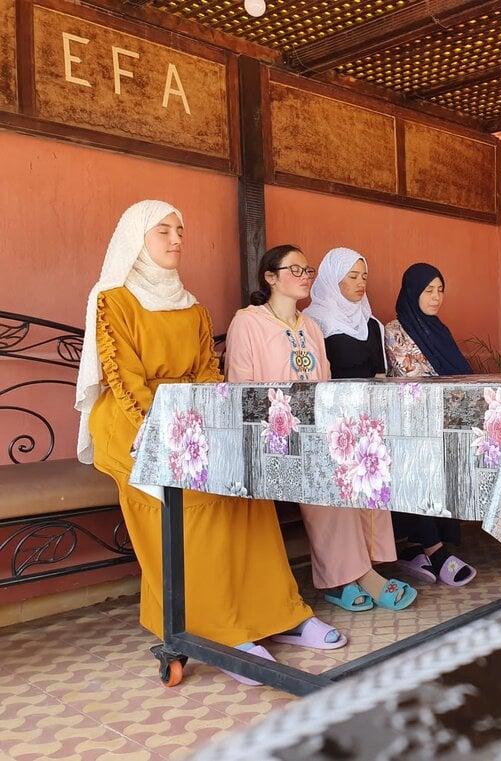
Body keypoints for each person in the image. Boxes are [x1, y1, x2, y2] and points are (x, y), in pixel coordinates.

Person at [75, 201, 343, 687]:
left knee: (245, 486)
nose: (177, 239)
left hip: (191, 421)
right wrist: (169, 436)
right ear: (137, 239)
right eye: (164, 231)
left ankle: (278, 613)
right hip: (134, 426)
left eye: (181, 230)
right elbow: (125, 380)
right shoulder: (111, 299)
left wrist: (213, 428)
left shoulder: (191, 304)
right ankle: (211, 629)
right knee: (195, 496)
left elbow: (206, 374)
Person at [226, 244, 416, 613]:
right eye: (294, 270)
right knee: (327, 473)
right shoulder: (247, 322)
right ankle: (344, 577)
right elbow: (240, 390)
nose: (304, 277)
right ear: (270, 276)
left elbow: (325, 385)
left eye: (307, 270)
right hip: (274, 436)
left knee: (363, 460)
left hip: (316, 430)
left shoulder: (309, 325)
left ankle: (364, 568)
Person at [384, 262, 480, 586]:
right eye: (429, 290)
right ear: (412, 291)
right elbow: (411, 378)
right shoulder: (394, 330)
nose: (436, 296)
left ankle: (421, 546)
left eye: (440, 290)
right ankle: (433, 549)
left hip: (443, 419)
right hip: (410, 423)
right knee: (418, 462)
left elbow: (460, 376)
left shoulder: (439, 329)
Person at [304, 247, 387, 380]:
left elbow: (380, 375)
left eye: (364, 277)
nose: (361, 283)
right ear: (332, 279)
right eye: (353, 276)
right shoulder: (312, 321)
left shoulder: (370, 324)